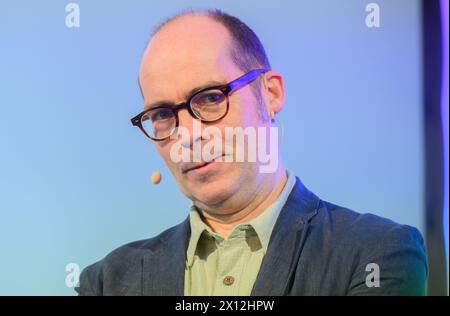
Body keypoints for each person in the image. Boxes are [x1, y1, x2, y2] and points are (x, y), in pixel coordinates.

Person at [76, 9, 428, 296]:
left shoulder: (376, 253)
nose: (188, 136)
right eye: (163, 115)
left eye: (212, 97)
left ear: (270, 93)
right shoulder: (106, 283)